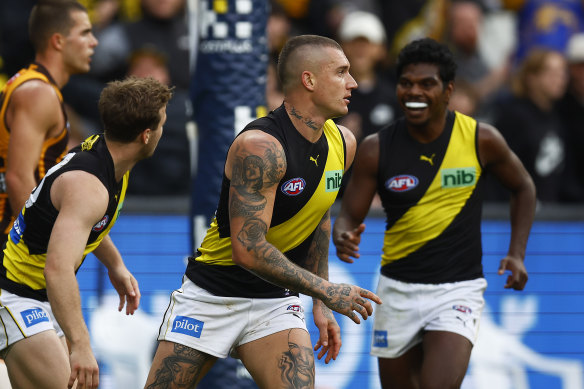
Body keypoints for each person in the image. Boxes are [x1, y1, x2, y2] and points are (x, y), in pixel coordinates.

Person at [145, 35, 382, 389]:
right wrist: (326, 288)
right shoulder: (260, 147)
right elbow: (248, 249)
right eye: (342, 72)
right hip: (213, 293)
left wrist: (320, 301)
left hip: (274, 298)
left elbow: (318, 215)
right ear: (309, 80)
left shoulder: (344, 143)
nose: (353, 83)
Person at [332, 38, 536, 389]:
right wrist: (343, 236)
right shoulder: (376, 148)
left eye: (427, 84)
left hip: (457, 292)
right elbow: (349, 216)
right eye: (406, 83)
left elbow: (524, 188)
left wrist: (517, 253)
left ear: (448, 90)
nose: (415, 92)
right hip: (396, 291)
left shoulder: (479, 139)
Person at [0, 76, 173, 388]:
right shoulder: (90, 187)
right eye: (162, 124)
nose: (163, 131)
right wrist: (81, 345)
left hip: (39, 296)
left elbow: (86, 224)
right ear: (146, 135)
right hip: (14, 294)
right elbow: (58, 268)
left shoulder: (108, 156)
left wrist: (115, 264)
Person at [0, 0, 98, 250]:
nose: (94, 42)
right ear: (58, 41)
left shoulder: (36, 87)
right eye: (85, 33)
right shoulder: (38, 93)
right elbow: (18, 178)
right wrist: (45, 248)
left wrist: (113, 262)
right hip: (10, 247)